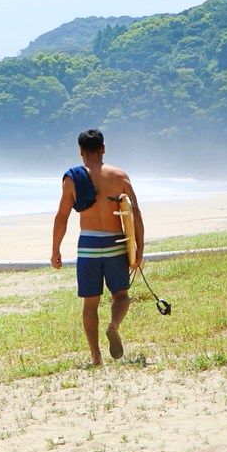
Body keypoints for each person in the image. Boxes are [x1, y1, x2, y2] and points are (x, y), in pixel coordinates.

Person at [50, 129, 144, 366]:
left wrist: (56, 250)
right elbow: (135, 213)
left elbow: (62, 217)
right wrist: (139, 248)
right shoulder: (119, 176)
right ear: (103, 148)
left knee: (90, 302)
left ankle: (96, 356)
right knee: (121, 295)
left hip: (88, 245)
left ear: (81, 151)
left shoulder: (72, 178)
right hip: (115, 243)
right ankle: (113, 325)